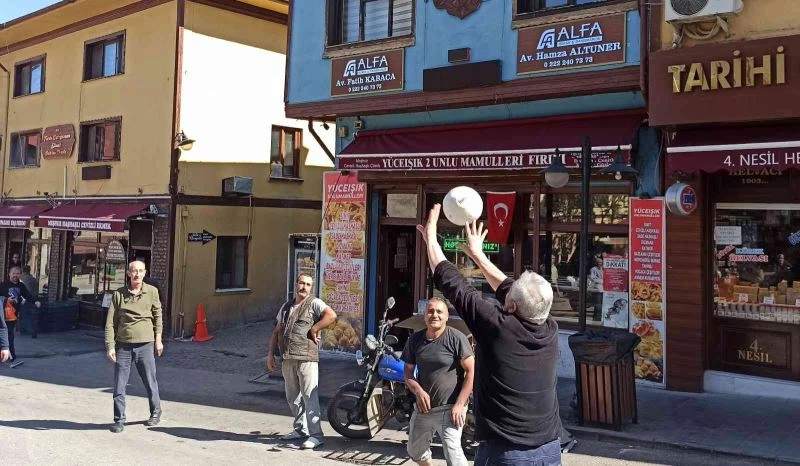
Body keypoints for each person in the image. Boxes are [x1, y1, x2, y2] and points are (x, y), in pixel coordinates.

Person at [417, 204, 563, 466]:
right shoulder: (549, 327)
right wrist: (478, 255)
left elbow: (450, 279)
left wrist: (430, 238)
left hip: (506, 454)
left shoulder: (498, 328)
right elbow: (509, 289)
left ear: (512, 306)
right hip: (549, 451)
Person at [402, 297, 474, 466]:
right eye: (430, 311)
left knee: (453, 455)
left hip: (450, 408)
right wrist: (418, 391)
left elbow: (471, 371)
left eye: (439, 311)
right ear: (424, 316)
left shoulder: (457, 338)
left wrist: (460, 404)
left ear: (447, 316)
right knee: (415, 451)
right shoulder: (415, 340)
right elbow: (408, 371)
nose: (434, 315)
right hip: (424, 409)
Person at [267, 273, 336, 450]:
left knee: (309, 397)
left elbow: (331, 315)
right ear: (296, 284)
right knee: (293, 397)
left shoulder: (314, 303)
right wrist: (270, 355)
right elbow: (276, 331)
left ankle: (316, 435)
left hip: (306, 358)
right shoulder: (285, 306)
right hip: (287, 358)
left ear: (311, 287)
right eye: (301, 283)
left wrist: (315, 327)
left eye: (307, 284)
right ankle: (300, 429)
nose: (304, 287)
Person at [105, 260, 163, 433]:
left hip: (145, 344)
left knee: (150, 381)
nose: (137, 274)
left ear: (145, 273)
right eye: (134, 271)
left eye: (140, 271)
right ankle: (119, 419)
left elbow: (158, 316)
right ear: (129, 273)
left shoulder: (152, 292)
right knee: (119, 385)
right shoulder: (119, 294)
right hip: (123, 346)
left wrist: (158, 340)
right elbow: (110, 323)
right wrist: (110, 346)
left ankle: (155, 412)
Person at [0, 266, 42, 362]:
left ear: (20, 274)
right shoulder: (3, 285)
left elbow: (27, 295)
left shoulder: (21, 286)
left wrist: (35, 301)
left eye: (18, 273)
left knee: (9, 335)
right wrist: (6, 300)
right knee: (3, 334)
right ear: (9, 274)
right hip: (2, 314)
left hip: (12, 315)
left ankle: (10, 355)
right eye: (13, 273)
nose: (15, 275)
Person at [588, 256, 604, 321]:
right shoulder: (593, 269)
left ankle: (600, 317)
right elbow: (593, 278)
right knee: (598, 304)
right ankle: (596, 318)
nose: (600, 263)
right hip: (597, 289)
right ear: (596, 263)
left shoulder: (603, 269)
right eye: (599, 262)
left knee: (601, 304)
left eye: (601, 262)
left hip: (603, 289)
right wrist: (602, 281)